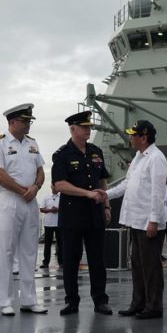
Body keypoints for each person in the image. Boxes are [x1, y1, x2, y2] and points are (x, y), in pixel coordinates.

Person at [52, 111, 112, 316]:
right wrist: (86, 193)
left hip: (95, 213)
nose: (88, 130)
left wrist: (106, 205)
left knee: (97, 259)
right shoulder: (62, 155)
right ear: (72, 129)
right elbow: (59, 184)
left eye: (89, 127)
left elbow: (103, 179)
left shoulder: (96, 152)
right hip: (72, 215)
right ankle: (71, 301)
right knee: (71, 260)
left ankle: (100, 300)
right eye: (84, 127)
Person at [106, 120, 167, 320]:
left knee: (151, 266)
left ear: (144, 137)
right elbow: (127, 184)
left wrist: (153, 221)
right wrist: (105, 194)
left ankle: (154, 306)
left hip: (147, 221)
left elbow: (158, 193)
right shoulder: (138, 158)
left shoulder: (156, 158)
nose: (130, 138)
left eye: (134, 135)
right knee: (137, 265)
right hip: (135, 220)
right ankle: (138, 303)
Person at [0, 103, 47, 316]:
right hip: (8, 200)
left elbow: (40, 170)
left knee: (29, 251)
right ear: (12, 122)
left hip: (29, 201)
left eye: (29, 121)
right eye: (25, 121)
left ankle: (29, 300)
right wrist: (23, 190)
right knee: (5, 251)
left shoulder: (32, 143)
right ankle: (5, 301)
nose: (28, 124)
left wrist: (36, 187)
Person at [39, 186, 61, 269]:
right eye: (53, 187)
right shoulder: (46, 197)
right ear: (51, 187)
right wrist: (51, 210)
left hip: (59, 223)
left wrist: (58, 209)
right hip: (48, 224)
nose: (54, 188)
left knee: (61, 244)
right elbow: (41, 209)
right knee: (47, 244)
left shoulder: (62, 197)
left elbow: (65, 208)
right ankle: (45, 262)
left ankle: (61, 262)